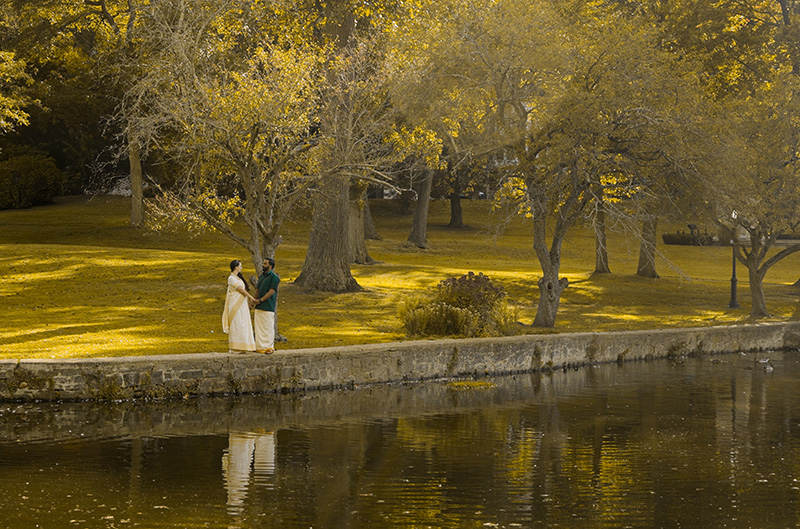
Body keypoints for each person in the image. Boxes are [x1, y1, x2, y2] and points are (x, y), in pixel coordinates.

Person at [222, 260, 257, 353]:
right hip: (235, 304)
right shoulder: (231, 278)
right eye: (240, 266)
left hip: (242, 304)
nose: (241, 268)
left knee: (243, 323)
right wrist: (250, 297)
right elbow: (240, 289)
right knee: (237, 323)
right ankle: (235, 347)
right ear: (236, 267)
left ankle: (244, 346)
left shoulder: (238, 278)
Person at [254, 257, 280, 354]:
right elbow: (258, 290)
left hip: (268, 306)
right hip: (259, 306)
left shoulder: (274, 277)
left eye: (265, 264)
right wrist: (253, 302)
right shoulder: (261, 277)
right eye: (263, 263)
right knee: (259, 327)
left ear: (271, 266)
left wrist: (261, 300)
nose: (263, 265)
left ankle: (269, 347)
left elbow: (272, 291)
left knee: (268, 327)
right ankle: (260, 346)